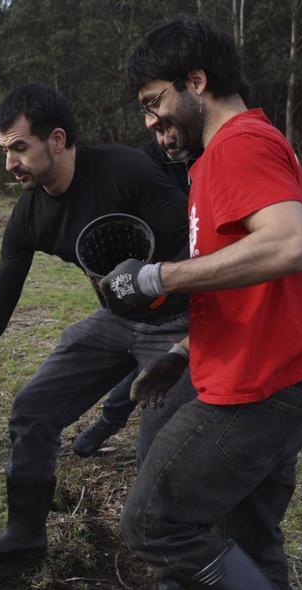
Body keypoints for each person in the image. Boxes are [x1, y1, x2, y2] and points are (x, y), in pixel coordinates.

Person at [113, 15, 302, 590]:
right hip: (271, 363)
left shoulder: (238, 145)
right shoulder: (233, 151)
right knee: (247, 528)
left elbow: (289, 245)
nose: (152, 122)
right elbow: (250, 274)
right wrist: (188, 349)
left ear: (197, 83)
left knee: (155, 519)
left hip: (263, 387)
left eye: (155, 102)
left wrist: (159, 274)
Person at [0, 83, 196, 590]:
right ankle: (25, 533)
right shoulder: (31, 212)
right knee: (32, 408)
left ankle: (174, 576)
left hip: (179, 323)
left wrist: (178, 323)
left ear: (57, 140)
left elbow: (200, 244)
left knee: (158, 446)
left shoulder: (126, 172)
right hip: (115, 320)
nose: (9, 162)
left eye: (18, 148)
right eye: (4, 151)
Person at [71, 137, 199, 458]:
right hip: (155, 279)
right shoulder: (148, 160)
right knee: (144, 359)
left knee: (176, 364)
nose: (163, 134)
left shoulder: (211, 159)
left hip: (201, 278)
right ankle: (110, 420)